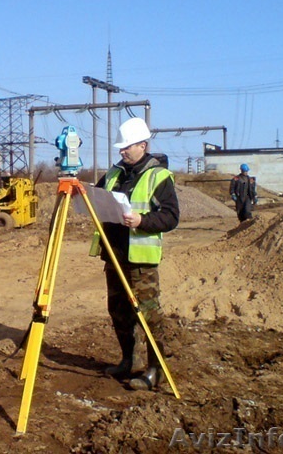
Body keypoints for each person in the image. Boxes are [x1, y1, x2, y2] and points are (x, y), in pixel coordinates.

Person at [89, 116, 179, 391]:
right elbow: (98, 199)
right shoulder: (114, 173)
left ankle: (155, 369)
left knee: (148, 315)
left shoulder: (158, 176)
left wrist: (142, 221)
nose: (122, 151)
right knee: (118, 311)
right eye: (121, 147)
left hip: (140, 261)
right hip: (114, 255)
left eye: (127, 146)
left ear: (143, 144)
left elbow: (171, 217)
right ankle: (128, 359)